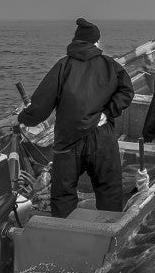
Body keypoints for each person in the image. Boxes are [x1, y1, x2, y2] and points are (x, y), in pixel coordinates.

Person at [18, 18, 135, 218]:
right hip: (101, 138)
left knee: (63, 194)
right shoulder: (110, 65)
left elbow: (41, 104)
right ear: (96, 42)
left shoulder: (62, 66)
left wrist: (24, 118)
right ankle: (109, 235)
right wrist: (107, 113)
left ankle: (65, 235)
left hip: (68, 141)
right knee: (109, 189)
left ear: (76, 41)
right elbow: (127, 91)